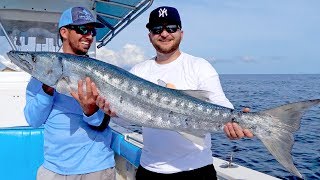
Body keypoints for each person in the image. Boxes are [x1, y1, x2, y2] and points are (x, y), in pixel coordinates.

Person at [97, 6, 253, 179]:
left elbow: (220, 103)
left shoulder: (199, 66)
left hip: (198, 170)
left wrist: (236, 122)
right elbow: (124, 118)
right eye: (157, 29)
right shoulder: (138, 71)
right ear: (150, 37)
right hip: (150, 169)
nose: (164, 34)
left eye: (171, 28)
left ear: (181, 33)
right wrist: (110, 111)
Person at [24, 7, 115, 180]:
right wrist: (46, 90)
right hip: (54, 168)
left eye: (92, 30)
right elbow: (33, 120)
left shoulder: (98, 73)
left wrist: (90, 110)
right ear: (64, 32)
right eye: (82, 29)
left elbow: (103, 122)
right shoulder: (41, 72)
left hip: (97, 167)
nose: (89, 36)